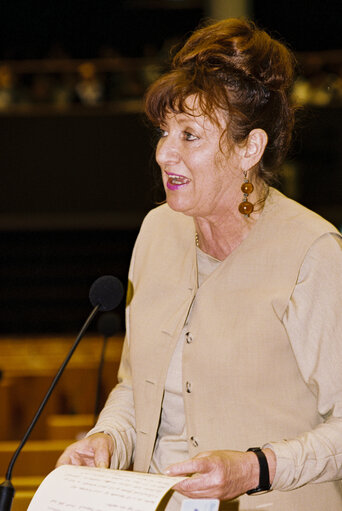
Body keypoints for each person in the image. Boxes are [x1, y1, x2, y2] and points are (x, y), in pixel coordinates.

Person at [57, 18, 342, 510]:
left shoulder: (311, 251)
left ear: (249, 148)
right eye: (165, 132)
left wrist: (255, 468)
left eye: (190, 136)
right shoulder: (156, 231)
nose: (164, 153)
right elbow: (136, 385)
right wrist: (107, 440)